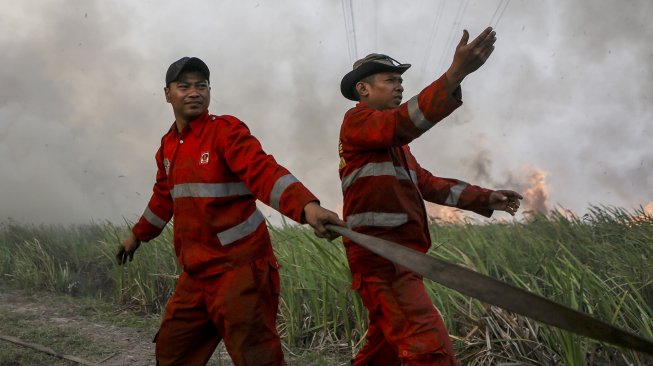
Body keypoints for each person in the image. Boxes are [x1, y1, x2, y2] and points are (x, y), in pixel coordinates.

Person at [116, 56, 345, 366]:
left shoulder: (225, 132)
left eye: (202, 85)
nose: (194, 92)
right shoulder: (168, 146)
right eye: (184, 86)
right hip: (196, 273)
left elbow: (263, 171)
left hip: (241, 270)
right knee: (172, 353)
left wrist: (307, 207)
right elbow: (163, 199)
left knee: (256, 356)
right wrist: (136, 237)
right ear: (167, 94)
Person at [337, 27, 523, 365]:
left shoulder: (396, 148)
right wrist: (455, 74)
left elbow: (428, 184)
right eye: (390, 80)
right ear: (362, 89)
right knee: (428, 349)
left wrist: (485, 198)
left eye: (400, 80)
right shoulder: (358, 121)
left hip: (399, 256)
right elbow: (402, 124)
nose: (400, 85)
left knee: (384, 352)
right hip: (383, 258)